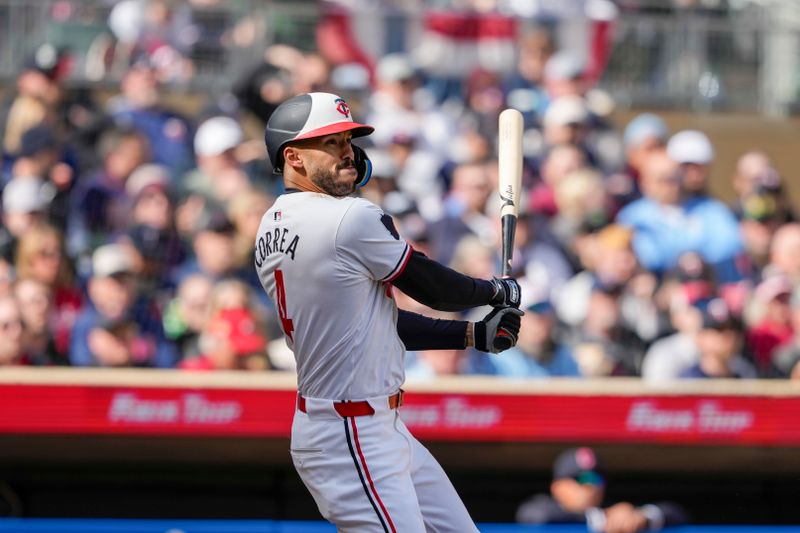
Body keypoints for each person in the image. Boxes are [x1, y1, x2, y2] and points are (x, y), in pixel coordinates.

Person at [255, 92, 522, 532]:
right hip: (349, 433)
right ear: (293, 158)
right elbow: (429, 287)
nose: (348, 152)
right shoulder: (348, 218)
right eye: (331, 143)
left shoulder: (271, 225)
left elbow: (376, 324)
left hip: (372, 426)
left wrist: (471, 336)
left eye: (347, 140)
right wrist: (495, 290)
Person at [516, 447, 688, 532]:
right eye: (580, 479)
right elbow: (536, 516)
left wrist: (643, 516)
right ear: (558, 486)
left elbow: (676, 513)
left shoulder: (615, 513)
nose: (589, 486)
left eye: (595, 478)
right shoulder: (542, 507)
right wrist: (602, 518)